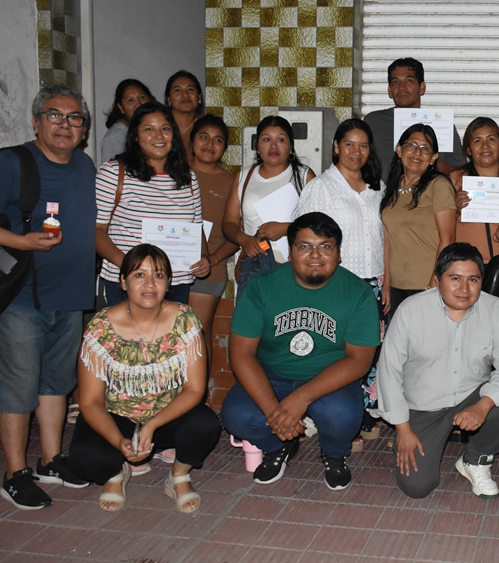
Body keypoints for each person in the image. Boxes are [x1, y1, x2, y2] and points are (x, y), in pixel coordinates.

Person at [220, 213, 381, 490]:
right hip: (272, 372)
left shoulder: (358, 292)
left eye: (325, 246)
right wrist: (276, 413)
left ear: (338, 254)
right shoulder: (261, 286)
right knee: (237, 415)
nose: (315, 255)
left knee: (341, 415)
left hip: (329, 376)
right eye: (304, 246)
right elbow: (241, 354)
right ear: (290, 252)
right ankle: (279, 445)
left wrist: (300, 399)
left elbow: (359, 361)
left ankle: (334, 453)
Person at [0, 84, 96, 510]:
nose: (64, 124)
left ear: (84, 130)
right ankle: (14, 473)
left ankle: (51, 460)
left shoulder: (85, 166)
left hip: (72, 296)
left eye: (74, 118)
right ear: (36, 121)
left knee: (57, 384)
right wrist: (22, 242)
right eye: (54, 115)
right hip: (23, 298)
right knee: (19, 387)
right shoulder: (13, 163)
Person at [68, 245, 220, 512]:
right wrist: (118, 441)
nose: (150, 284)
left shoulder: (184, 319)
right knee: (85, 459)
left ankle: (178, 476)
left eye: (158, 275)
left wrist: (151, 425)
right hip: (117, 416)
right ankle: (117, 473)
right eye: (139, 275)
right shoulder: (101, 327)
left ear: (168, 282)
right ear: (123, 281)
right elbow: (90, 402)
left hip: (165, 416)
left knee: (205, 424)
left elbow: (195, 390)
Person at [375, 242, 499, 499]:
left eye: (473, 280)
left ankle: (475, 460)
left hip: (470, 394)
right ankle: (408, 440)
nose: (464, 289)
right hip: (423, 405)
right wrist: (403, 430)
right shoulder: (411, 310)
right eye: (455, 279)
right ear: (437, 279)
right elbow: (388, 371)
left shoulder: (495, 308)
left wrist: (483, 405)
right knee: (417, 487)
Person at [294, 119, 387, 448]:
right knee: (337, 354)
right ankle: (335, 419)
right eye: (349, 144)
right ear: (335, 146)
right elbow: (305, 236)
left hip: (374, 283)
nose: (356, 151)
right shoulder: (321, 187)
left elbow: (385, 236)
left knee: (369, 352)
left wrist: (387, 280)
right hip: (338, 283)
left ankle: (363, 414)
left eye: (363, 145)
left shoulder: (378, 187)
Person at [95, 101, 210, 307]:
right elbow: (96, 231)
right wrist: (130, 265)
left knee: (172, 330)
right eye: (149, 129)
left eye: (165, 128)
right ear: (135, 136)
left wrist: (203, 256)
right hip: (130, 281)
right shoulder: (113, 173)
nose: (159, 136)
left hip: (175, 282)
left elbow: (196, 227)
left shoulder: (188, 177)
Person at [222, 116, 315, 285]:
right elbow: (229, 223)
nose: (273, 146)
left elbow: (318, 224)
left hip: (292, 267)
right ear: (257, 147)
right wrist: (244, 239)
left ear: (291, 147)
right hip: (254, 266)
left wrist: (286, 229)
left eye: (280, 139)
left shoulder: (304, 176)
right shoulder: (243, 176)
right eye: (266, 139)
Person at [380, 123, 456, 315]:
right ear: (399, 150)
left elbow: (447, 239)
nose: (417, 153)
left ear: (433, 158)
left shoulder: (438, 185)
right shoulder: (391, 187)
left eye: (425, 148)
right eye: (412, 145)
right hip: (396, 286)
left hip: (425, 285)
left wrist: (434, 284)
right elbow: (388, 239)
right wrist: (387, 283)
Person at [363, 58, 465, 182]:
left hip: (429, 193)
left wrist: (429, 159)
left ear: (422, 87)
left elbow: (461, 173)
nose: (402, 87)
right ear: (390, 90)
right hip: (382, 194)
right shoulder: (373, 122)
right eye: (395, 82)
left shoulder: (442, 123)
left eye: (409, 80)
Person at [187, 115, 239, 354]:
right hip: (168, 268)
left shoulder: (231, 182)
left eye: (218, 140)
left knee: (196, 332)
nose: (210, 144)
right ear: (192, 141)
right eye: (204, 137)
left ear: (225, 148)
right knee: (166, 333)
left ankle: (200, 380)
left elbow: (237, 233)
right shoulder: (173, 173)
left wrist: (213, 259)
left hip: (210, 271)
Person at [451, 116, 499, 263]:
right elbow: (437, 229)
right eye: (477, 140)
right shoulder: (455, 181)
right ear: (468, 149)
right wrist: (454, 210)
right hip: (464, 267)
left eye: (491, 139)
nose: (485, 146)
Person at [100, 79, 152, 162]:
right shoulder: (115, 138)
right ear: (121, 107)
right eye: (130, 100)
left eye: (142, 97)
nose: (139, 104)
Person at [163, 70, 205, 161]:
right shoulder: (160, 127)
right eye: (177, 90)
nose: (185, 95)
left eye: (190, 89)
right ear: (168, 99)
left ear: (199, 97)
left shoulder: (206, 128)